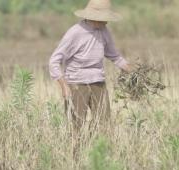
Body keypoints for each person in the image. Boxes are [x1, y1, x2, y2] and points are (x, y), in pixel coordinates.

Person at [49, 0, 132, 157]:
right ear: (93, 16)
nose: (106, 21)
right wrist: (64, 86)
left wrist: (130, 69)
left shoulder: (104, 31)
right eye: (103, 18)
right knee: (76, 125)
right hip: (76, 84)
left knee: (104, 123)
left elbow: (113, 55)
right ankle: (74, 158)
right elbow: (54, 60)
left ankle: (100, 157)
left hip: (98, 82)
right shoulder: (75, 32)